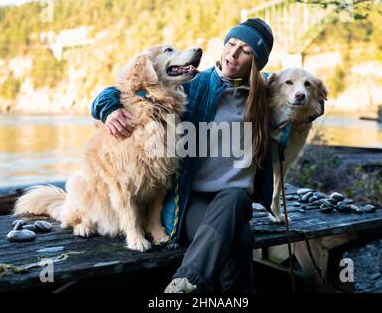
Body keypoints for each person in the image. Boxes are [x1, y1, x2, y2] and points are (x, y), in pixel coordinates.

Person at [91, 18, 275, 293]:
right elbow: (124, 87)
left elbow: (306, 97)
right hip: (193, 203)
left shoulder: (265, 96)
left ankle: (186, 283)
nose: (233, 55)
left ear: (257, 62)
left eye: (246, 50)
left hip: (236, 202)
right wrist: (107, 108)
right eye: (231, 44)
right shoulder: (194, 85)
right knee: (240, 240)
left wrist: (315, 107)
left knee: (235, 196)